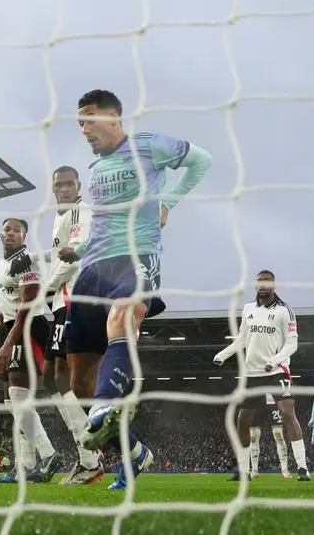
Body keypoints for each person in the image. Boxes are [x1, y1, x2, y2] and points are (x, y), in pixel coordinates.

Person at [65, 89, 213, 492]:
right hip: (93, 268)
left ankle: (107, 406)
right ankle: (134, 454)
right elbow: (98, 224)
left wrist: (169, 204)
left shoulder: (148, 146)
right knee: (79, 384)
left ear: (113, 117)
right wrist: (75, 249)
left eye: (88, 118)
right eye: (78, 121)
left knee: (124, 316)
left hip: (138, 257)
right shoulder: (94, 169)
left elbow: (203, 161)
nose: (83, 128)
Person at [0, 218, 60, 484]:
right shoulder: (4, 264)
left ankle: (49, 455)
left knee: (18, 396)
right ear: (1, 234)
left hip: (29, 327)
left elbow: (26, 305)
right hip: (12, 326)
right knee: (13, 404)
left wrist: (8, 342)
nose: (11, 233)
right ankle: (26, 465)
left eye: (16, 230)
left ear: (24, 236)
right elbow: (10, 302)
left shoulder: (27, 262)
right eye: (7, 229)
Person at [214, 270, 309, 482]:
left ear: (274, 285)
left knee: (287, 413)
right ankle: (244, 470)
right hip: (252, 373)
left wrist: (274, 361)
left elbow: (292, 344)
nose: (263, 285)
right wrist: (222, 354)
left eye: (267, 282)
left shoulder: (285, 311)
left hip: (277, 370)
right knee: (243, 419)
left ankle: (302, 468)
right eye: (259, 282)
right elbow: (242, 339)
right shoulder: (248, 309)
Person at [41, 165, 101, 485]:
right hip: (61, 303)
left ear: (78, 185)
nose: (63, 188)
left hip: (74, 300)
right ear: (52, 189)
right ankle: (88, 456)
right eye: (58, 184)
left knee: (65, 380)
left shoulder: (80, 212)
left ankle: (93, 456)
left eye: (69, 184)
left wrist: (47, 288)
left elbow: (73, 255)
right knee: (55, 380)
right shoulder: (60, 217)